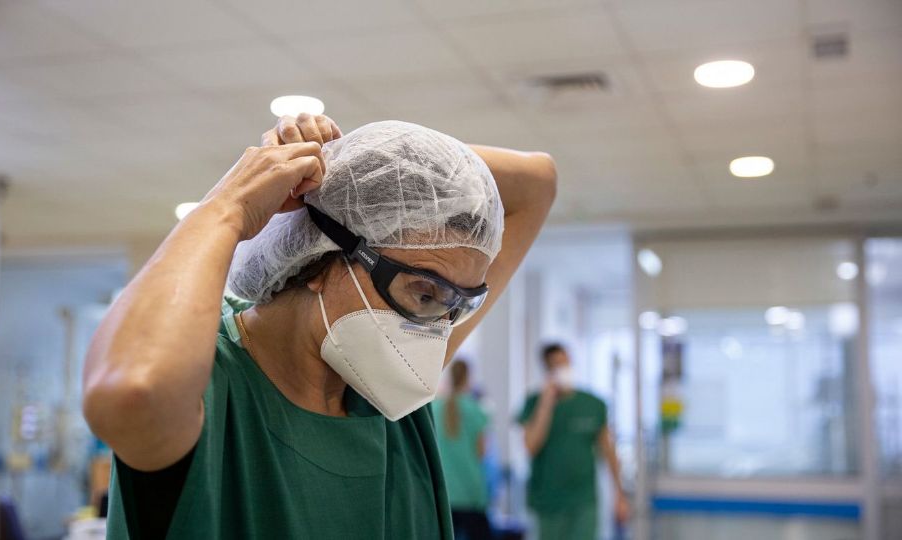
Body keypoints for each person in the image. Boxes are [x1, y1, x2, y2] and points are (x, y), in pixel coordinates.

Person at [83, 114, 557, 538]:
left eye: (459, 305)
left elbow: (538, 182)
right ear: (322, 260)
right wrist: (228, 207)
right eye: (425, 294)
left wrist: (359, 165)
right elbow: (132, 392)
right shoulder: (212, 388)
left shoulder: (388, 388)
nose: (438, 327)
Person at [518, 343, 629, 540]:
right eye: (555, 365)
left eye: (565, 362)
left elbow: (609, 452)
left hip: (583, 501)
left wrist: (619, 494)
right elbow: (531, 446)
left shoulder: (592, 404)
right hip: (548, 502)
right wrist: (546, 405)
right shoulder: (533, 403)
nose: (562, 368)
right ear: (547, 370)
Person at [432, 360, 492, 540]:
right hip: (470, 493)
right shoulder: (476, 410)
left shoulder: (434, 408)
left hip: (443, 493)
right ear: (468, 378)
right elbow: (482, 453)